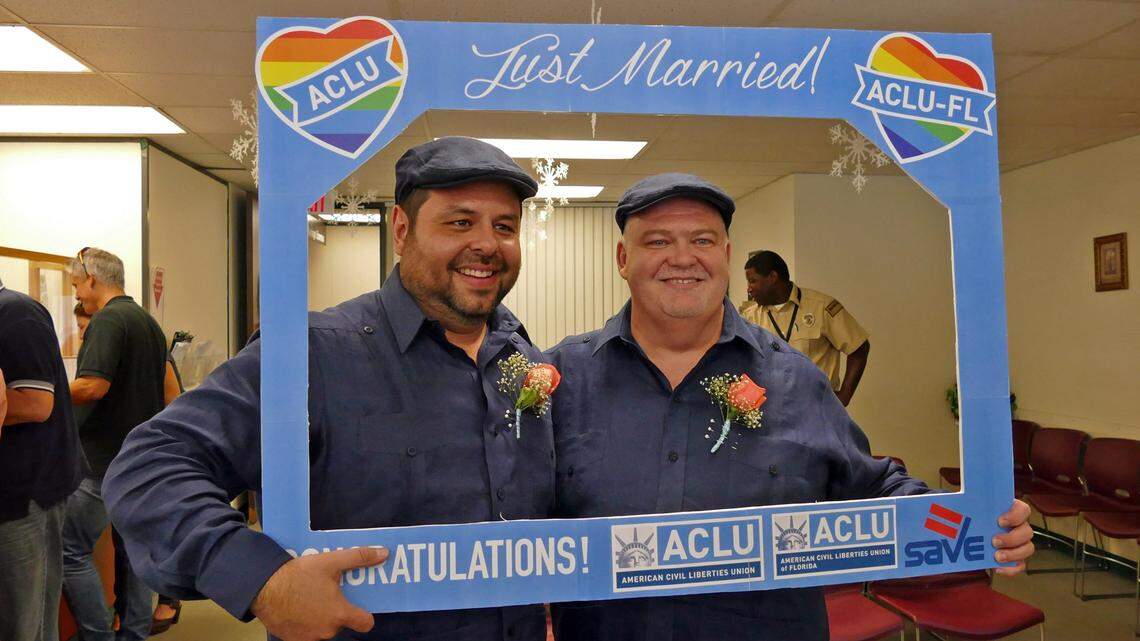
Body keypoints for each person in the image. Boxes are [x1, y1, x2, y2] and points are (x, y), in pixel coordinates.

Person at [103, 137, 556, 641]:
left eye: (505, 227)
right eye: (460, 222)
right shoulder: (313, 353)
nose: (487, 245)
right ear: (402, 231)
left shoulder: (524, 362)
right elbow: (150, 466)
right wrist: (262, 578)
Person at [547, 173, 1034, 641]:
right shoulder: (561, 379)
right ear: (621, 257)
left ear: (726, 256)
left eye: (702, 240)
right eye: (657, 241)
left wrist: (975, 524)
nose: (683, 258)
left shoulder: (794, 378)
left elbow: (875, 488)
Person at [63, 247, 168, 641]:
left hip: (101, 462)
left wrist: (46, 390)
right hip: (138, 459)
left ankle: (98, 633)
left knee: (68, 550)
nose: (76, 296)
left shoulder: (108, 321)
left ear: (92, 278)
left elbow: (93, 385)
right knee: (135, 552)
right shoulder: (146, 321)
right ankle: (135, 633)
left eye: (77, 285)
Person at [0, 277, 86, 641]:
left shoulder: (16, 314)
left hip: (26, 493)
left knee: (25, 619)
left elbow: (37, 403)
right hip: (16, 490)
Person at [740, 250, 870, 406]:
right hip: (771, 411)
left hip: (817, 409)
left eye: (753, 281)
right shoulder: (749, 317)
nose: (748, 289)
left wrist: (845, 395)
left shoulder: (821, 307)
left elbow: (859, 347)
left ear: (772, 278)